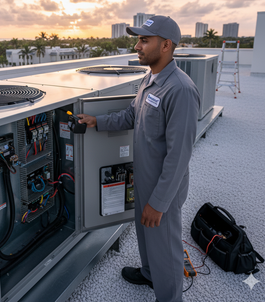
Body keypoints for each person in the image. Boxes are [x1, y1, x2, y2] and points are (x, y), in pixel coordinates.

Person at [78, 15, 200, 302]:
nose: (137, 46)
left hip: (163, 186)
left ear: (166, 45)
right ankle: (149, 274)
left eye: (144, 40)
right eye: (138, 39)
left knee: (164, 244)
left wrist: (158, 203)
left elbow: (179, 155)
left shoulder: (180, 90)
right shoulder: (151, 78)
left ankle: (169, 297)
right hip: (144, 176)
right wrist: (98, 121)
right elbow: (134, 114)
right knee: (146, 235)